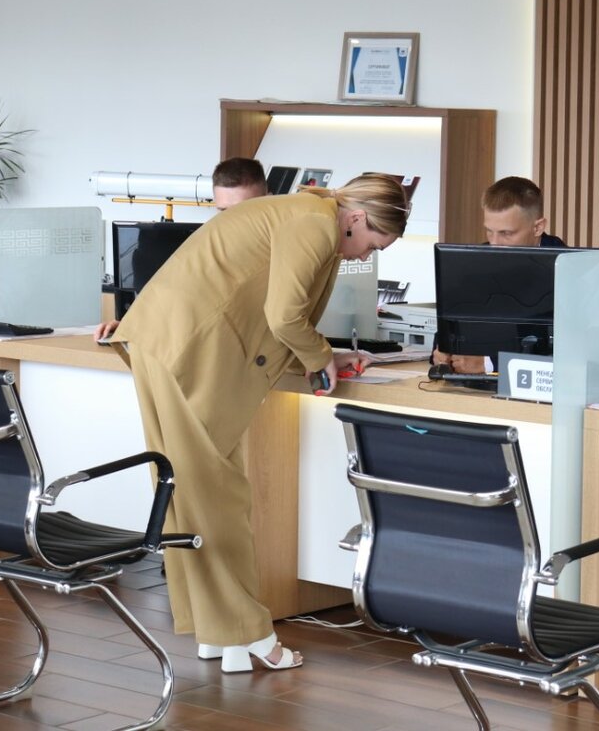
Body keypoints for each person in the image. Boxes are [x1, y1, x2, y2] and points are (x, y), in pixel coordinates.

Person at [109, 173, 409, 673]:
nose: (365, 256)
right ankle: (250, 633)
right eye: (373, 245)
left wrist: (324, 356)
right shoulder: (314, 223)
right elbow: (285, 315)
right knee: (215, 496)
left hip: (171, 344)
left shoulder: (302, 212)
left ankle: (221, 633)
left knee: (191, 493)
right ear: (356, 218)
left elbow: (269, 309)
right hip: (188, 350)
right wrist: (318, 357)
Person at [93, 158, 269, 341]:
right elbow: (180, 311)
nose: (234, 220)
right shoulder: (204, 251)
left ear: (270, 199)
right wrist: (132, 326)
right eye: (224, 211)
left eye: (246, 210)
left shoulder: (283, 249)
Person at [432, 176, 566, 374]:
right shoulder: (474, 263)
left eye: (506, 233)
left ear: (537, 227)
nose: (494, 243)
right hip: (469, 384)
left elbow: (569, 352)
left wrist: (490, 363)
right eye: (489, 231)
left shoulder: (569, 270)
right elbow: (450, 328)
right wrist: (443, 352)